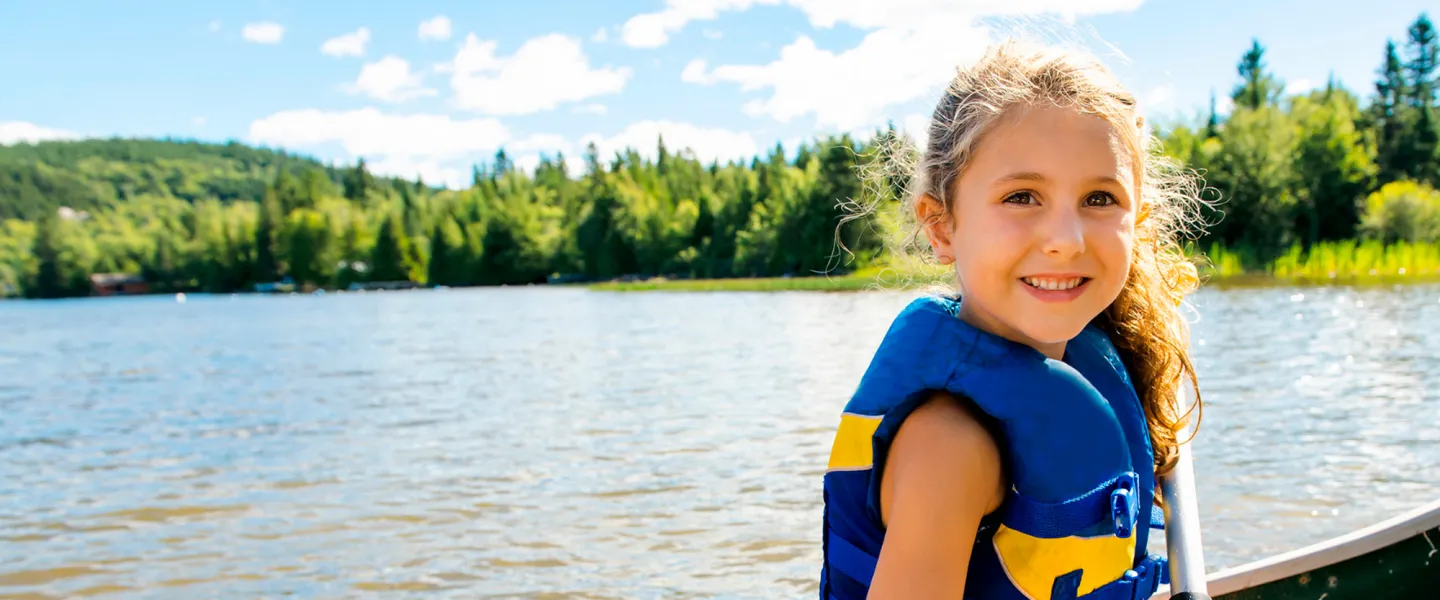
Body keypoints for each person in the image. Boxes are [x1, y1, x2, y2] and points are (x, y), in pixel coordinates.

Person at [821, 40, 1207, 600]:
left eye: (1100, 199)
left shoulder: (1100, 360)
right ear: (942, 226)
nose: (1066, 241)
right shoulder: (946, 448)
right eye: (1023, 196)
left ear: (1137, 220)